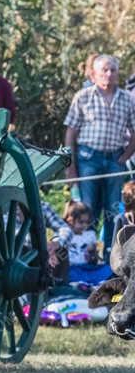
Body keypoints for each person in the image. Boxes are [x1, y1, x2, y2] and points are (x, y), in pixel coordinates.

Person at [64, 54, 135, 256]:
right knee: (87, 207)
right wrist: (70, 164)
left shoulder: (127, 100)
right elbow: (71, 132)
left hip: (115, 158)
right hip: (88, 157)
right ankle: (86, 253)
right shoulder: (83, 97)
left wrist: (125, 156)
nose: (109, 74)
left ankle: (112, 255)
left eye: (113, 70)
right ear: (94, 74)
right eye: (104, 70)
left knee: (114, 209)